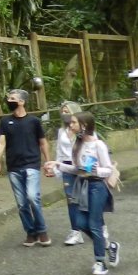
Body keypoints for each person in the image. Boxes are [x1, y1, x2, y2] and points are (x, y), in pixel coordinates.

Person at [48, 111, 120, 275]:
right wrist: (57, 164)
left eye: (73, 122)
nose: (70, 125)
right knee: (80, 222)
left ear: (84, 125)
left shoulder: (98, 145)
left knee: (94, 223)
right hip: (82, 186)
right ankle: (109, 246)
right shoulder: (78, 145)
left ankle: (100, 262)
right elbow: (76, 169)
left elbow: (108, 170)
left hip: (97, 187)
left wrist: (96, 170)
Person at [0, 88, 51, 247]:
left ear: (22, 102)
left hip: (31, 164)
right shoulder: (5, 121)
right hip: (13, 166)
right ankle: (31, 232)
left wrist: (48, 161)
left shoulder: (34, 122)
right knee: (21, 203)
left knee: (32, 197)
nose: (9, 101)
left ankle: (42, 230)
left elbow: (43, 142)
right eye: (9, 98)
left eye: (13, 98)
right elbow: (1, 142)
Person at [51, 103, 86, 246]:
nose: (64, 114)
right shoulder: (61, 131)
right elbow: (59, 151)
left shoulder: (84, 130)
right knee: (71, 200)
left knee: (88, 198)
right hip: (66, 167)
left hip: (83, 166)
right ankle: (76, 232)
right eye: (63, 112)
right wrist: (56, 168)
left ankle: (100, 227)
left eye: (67, 111)